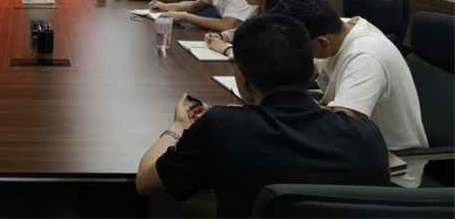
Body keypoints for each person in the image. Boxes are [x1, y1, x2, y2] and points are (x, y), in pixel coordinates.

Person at [136, 15, 390, 219]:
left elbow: (146, 182)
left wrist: (178, 126)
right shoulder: (367, 134)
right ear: (313, 71)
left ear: (240, 77)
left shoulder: (222, 126)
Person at [271, 0, 428, 188]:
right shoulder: (340, 28)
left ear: (322, 42)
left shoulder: (365, 56)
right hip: (356, 149)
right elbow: (311, 69)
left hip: (391, 170)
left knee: (276, 168)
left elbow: (343, 125)